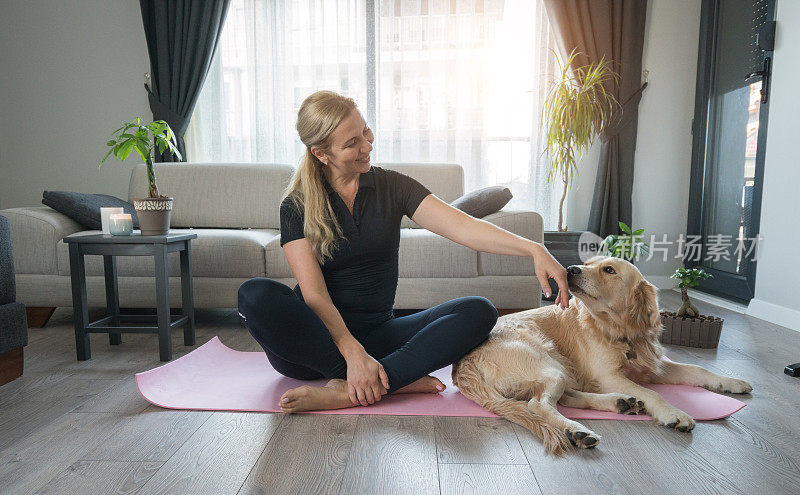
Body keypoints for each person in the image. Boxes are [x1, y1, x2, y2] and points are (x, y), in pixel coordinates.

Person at [237, 90, 570, 413]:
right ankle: (383, 378)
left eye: (365, 131)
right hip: (313, 347)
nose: (367, 145)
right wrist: (353, 355)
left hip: (381, 335)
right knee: (254, 294)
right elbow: (315, 296)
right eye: (352, 143)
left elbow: (462, 227)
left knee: (479, 311)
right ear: (322, 154)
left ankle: (358, 389)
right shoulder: (296, 204)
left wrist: (533, 248)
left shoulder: (392, 186)